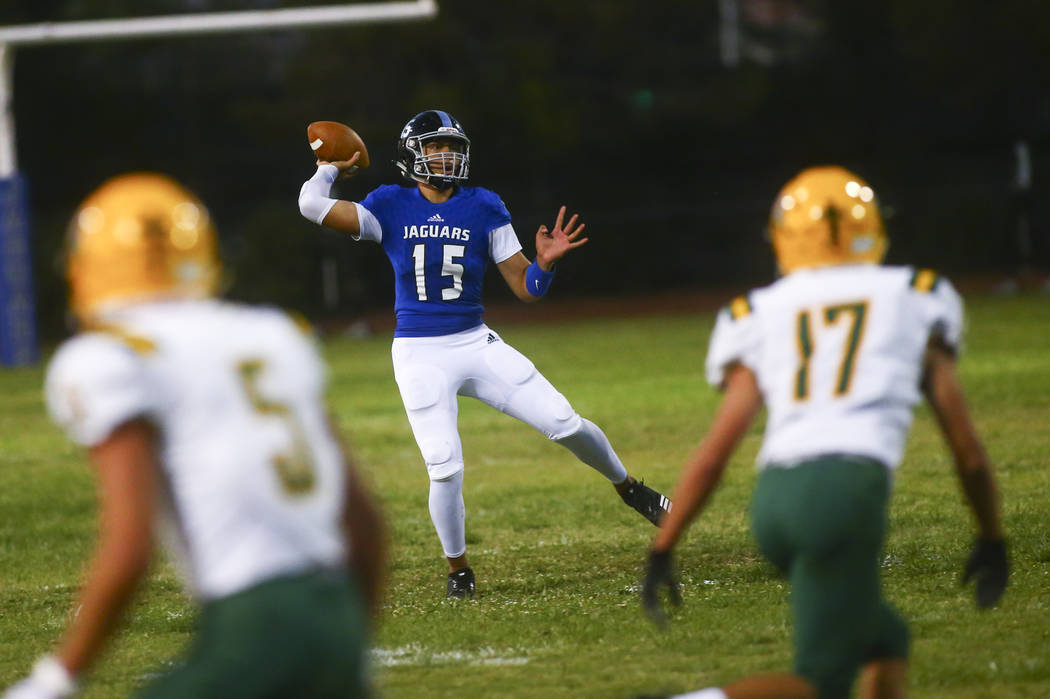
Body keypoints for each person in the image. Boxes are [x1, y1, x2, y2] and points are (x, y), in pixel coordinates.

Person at [4, 173, 386, 699]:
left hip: (253, 623)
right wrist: (347, 649)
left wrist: (55, 678)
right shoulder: (272, 333)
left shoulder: (111, 356)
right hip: (337, 614)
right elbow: (365, 527)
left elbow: (131, 546)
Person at [639, 166, 1008, 699]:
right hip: (843, 495)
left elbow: (717, 450)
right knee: (821, 683)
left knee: (885, 639)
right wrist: (992, 535)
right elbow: (967, 452)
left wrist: (664, 545)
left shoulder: (759, 310)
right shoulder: (916, 294)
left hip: (775, 503)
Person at [298, 109, 671, 598]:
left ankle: (630, 488)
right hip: (419, 351)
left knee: (565, 421)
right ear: (414, 154)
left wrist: (544, 265)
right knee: (444, 464)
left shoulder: (484, 205)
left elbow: (526, 288)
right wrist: (330, 167)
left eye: (452, 146)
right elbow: (311, 205)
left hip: (476, 342)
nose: (447, 155)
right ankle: (458, 569)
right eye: (436, 147)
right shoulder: (388, 204)